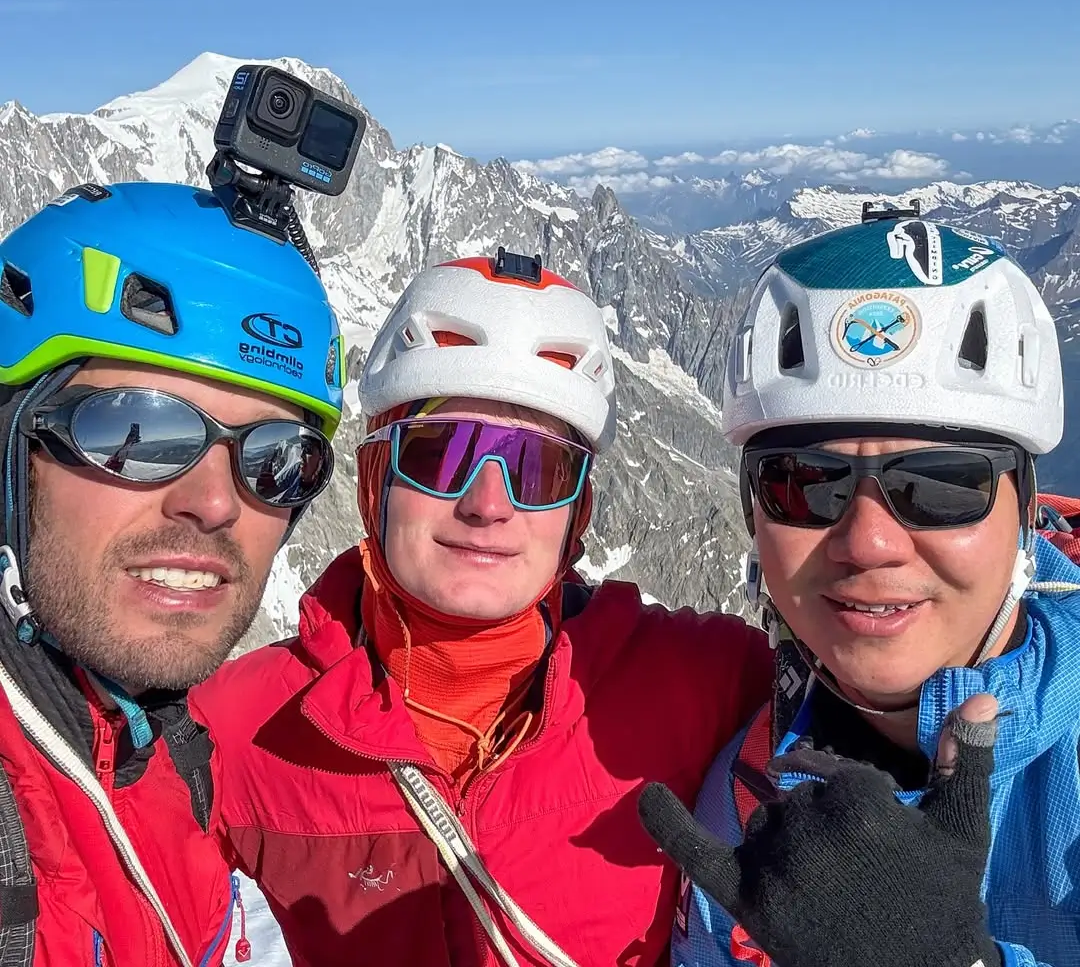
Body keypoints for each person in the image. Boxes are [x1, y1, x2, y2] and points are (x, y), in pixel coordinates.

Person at [191, 248, 774, 967]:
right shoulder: (237, 732)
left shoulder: (703, 679)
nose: (488, 503)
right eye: (439, 454)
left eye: (540, 469)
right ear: (374, 482)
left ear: (579, 510)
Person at [639, 214, 1080, 967]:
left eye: (942, 485)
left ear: (1025, 514)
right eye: (802, 484)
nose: (869, 542)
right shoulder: (742, 805)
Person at [0, 181, 341, 965]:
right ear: (11, 453)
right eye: (136, 428)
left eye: (276, 460)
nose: (216, 502)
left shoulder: (159, 751)